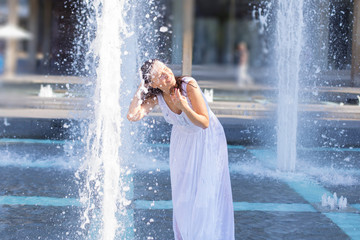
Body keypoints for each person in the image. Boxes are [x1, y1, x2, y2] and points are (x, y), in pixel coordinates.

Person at [127, 59, 235, 240]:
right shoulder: (157, 96)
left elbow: (204, 122)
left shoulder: (188, 85)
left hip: (207, 141)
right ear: (153, 84)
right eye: (160, 75)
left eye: (166, 69)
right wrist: (140, 88)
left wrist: (184, 106)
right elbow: (132, 116)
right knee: (184, 195)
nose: (167, 74)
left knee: (206, 194)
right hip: (182, 145)